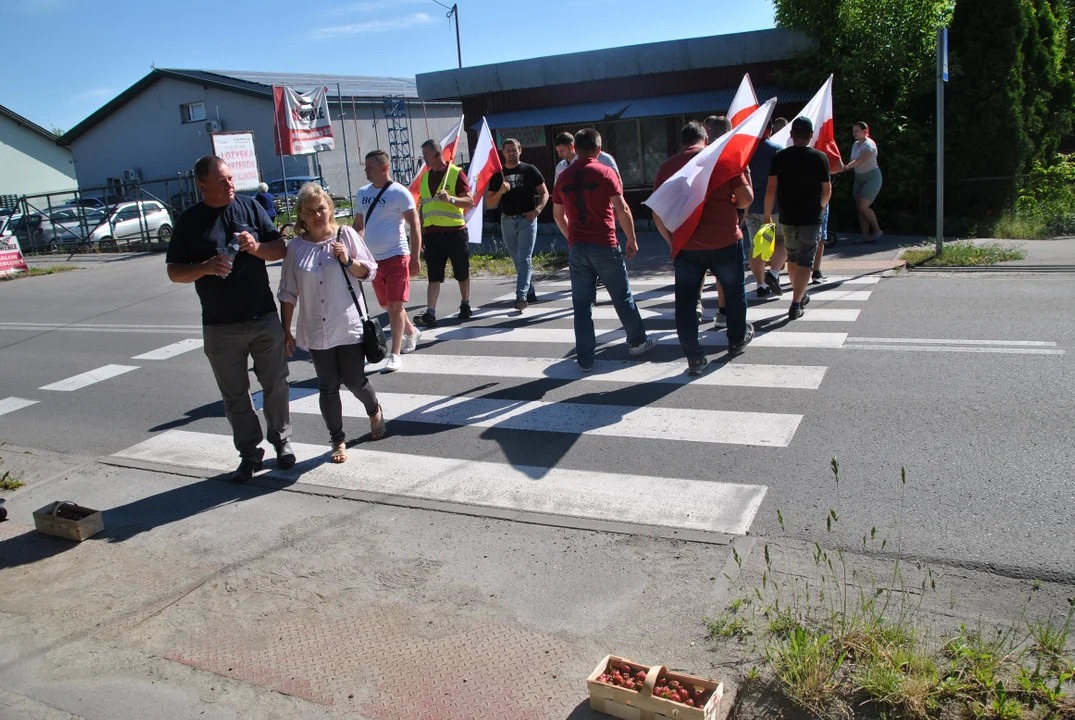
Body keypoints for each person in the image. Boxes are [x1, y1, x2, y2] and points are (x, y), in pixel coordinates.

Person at [166, 156, 293, 482]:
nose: (230, 184)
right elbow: (174, 271)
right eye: (222, 181)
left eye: (231, 178)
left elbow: (280, 249)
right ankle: (250, 454)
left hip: (262, 315)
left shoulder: (250, 208)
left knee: (276, 385)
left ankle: (282, 442)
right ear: (202, 184)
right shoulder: (190, 221)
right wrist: (204, 268)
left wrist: (256, 248)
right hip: (220, 325)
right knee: (235, 395)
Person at [278, 183, 385, 464]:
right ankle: (337, 439)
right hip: (315, 328)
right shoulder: (296, 248)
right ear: (301, 215)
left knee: (354, 380)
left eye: (321, 208)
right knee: (327, 386)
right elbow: (288, 292)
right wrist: (285, 330)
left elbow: (370, 271)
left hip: (347, 324)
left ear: (330, 208)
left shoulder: (345, 235)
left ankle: (374, 410)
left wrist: (348, 260)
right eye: (310, 211)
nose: (317, 214)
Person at [652, 122, 755, 375]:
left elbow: (658, 211)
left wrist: (672, 241)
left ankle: (694, 358)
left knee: (686, 303)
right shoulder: (721, 159)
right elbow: (746, 198)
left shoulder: (667, 167)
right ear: (705, 139)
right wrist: (731, 201)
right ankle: (736, 338)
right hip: (725, 241)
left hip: (686, 246)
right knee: (733, 292)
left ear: (682, 143)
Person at [552, 128, 653, 371]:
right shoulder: (605, 172)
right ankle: (637, 341)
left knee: (582, 305)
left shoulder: (563, 177)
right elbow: (622, 209)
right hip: (605, 244)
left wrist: (572, 238)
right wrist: (631, 239)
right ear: (599, 149)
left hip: (578, 247)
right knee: (622, 296)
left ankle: (585, 359)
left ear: (575, 148)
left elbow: (558, 215)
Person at [354, 150, 422, 372]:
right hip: (373, 261)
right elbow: (359, 226)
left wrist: (415, 257)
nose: (366, 170)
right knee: (387, 305)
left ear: (384, 167)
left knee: (394, 306)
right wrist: (352, 250)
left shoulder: (399, 192)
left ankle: (395, 353)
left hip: (397, 256)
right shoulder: (362, 192)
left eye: (369, 166)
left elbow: (414, 225)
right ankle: (411, 331)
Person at [764, 117, 831, 320]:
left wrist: (767, 214)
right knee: (805, 260)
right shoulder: (820, 158)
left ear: (791, 135)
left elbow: (771, 189)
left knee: (792, 256)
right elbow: (826, 190)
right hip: (810, 216)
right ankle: (796, 302)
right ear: (811, 135)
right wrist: (821, 206)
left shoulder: (779, 157)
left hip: (787, 215)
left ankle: (799, 296)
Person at [413, 139, 475, 328]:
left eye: (426, 156)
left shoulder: (455, 173)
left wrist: (452, 200)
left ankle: (465, 305)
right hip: (432, 235)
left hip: (454, 232)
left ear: (437, 154)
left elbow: (469, 201)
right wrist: (422, 233)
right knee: (433, 275)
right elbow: (423, 207)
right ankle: (430, 313)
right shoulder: (424, 177)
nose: (424, 160)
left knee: (461, 272)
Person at [486, 138, 548, 310]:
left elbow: (544, 193)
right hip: (507, 220)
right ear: (503, 153)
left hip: (526, 219)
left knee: (525, 257)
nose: (511, 153)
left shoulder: (530, 170)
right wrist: (501, 191)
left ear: (520, 150)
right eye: (508, 150)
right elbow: (490, 203)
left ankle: (521, 296)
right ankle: (530, 291)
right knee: (517, 259)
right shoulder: (498, 175)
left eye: (514, 150)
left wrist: (537, 211)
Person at [743, 117, 788, 297]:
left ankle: (760, 284)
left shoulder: (746, 150)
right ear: (770, 129)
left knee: (758, 245)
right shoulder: (777, 150)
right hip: (775, 205)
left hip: (751, 205)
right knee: (783, 241)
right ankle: (774, 272)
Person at [838, 121, 883, 244]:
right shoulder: (855, 144)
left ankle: (878, 231)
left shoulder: (869, 145)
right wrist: (844, 166)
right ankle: (865, 236)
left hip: (872, 178)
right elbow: (853, 160)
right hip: (859, 178)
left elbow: (860, 160)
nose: (854, 133)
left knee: (864, 206)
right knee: (860, 208)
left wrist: (846, 167)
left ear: (865, 131)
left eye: (857, 131)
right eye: (853, 131)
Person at [553, 132, 620, 184]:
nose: (559, 154)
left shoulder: (601, 159)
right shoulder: (560, 167)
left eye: (562, 151)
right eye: (557, 151)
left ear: (572, 146)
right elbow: (557, 191)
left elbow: (617, 181)